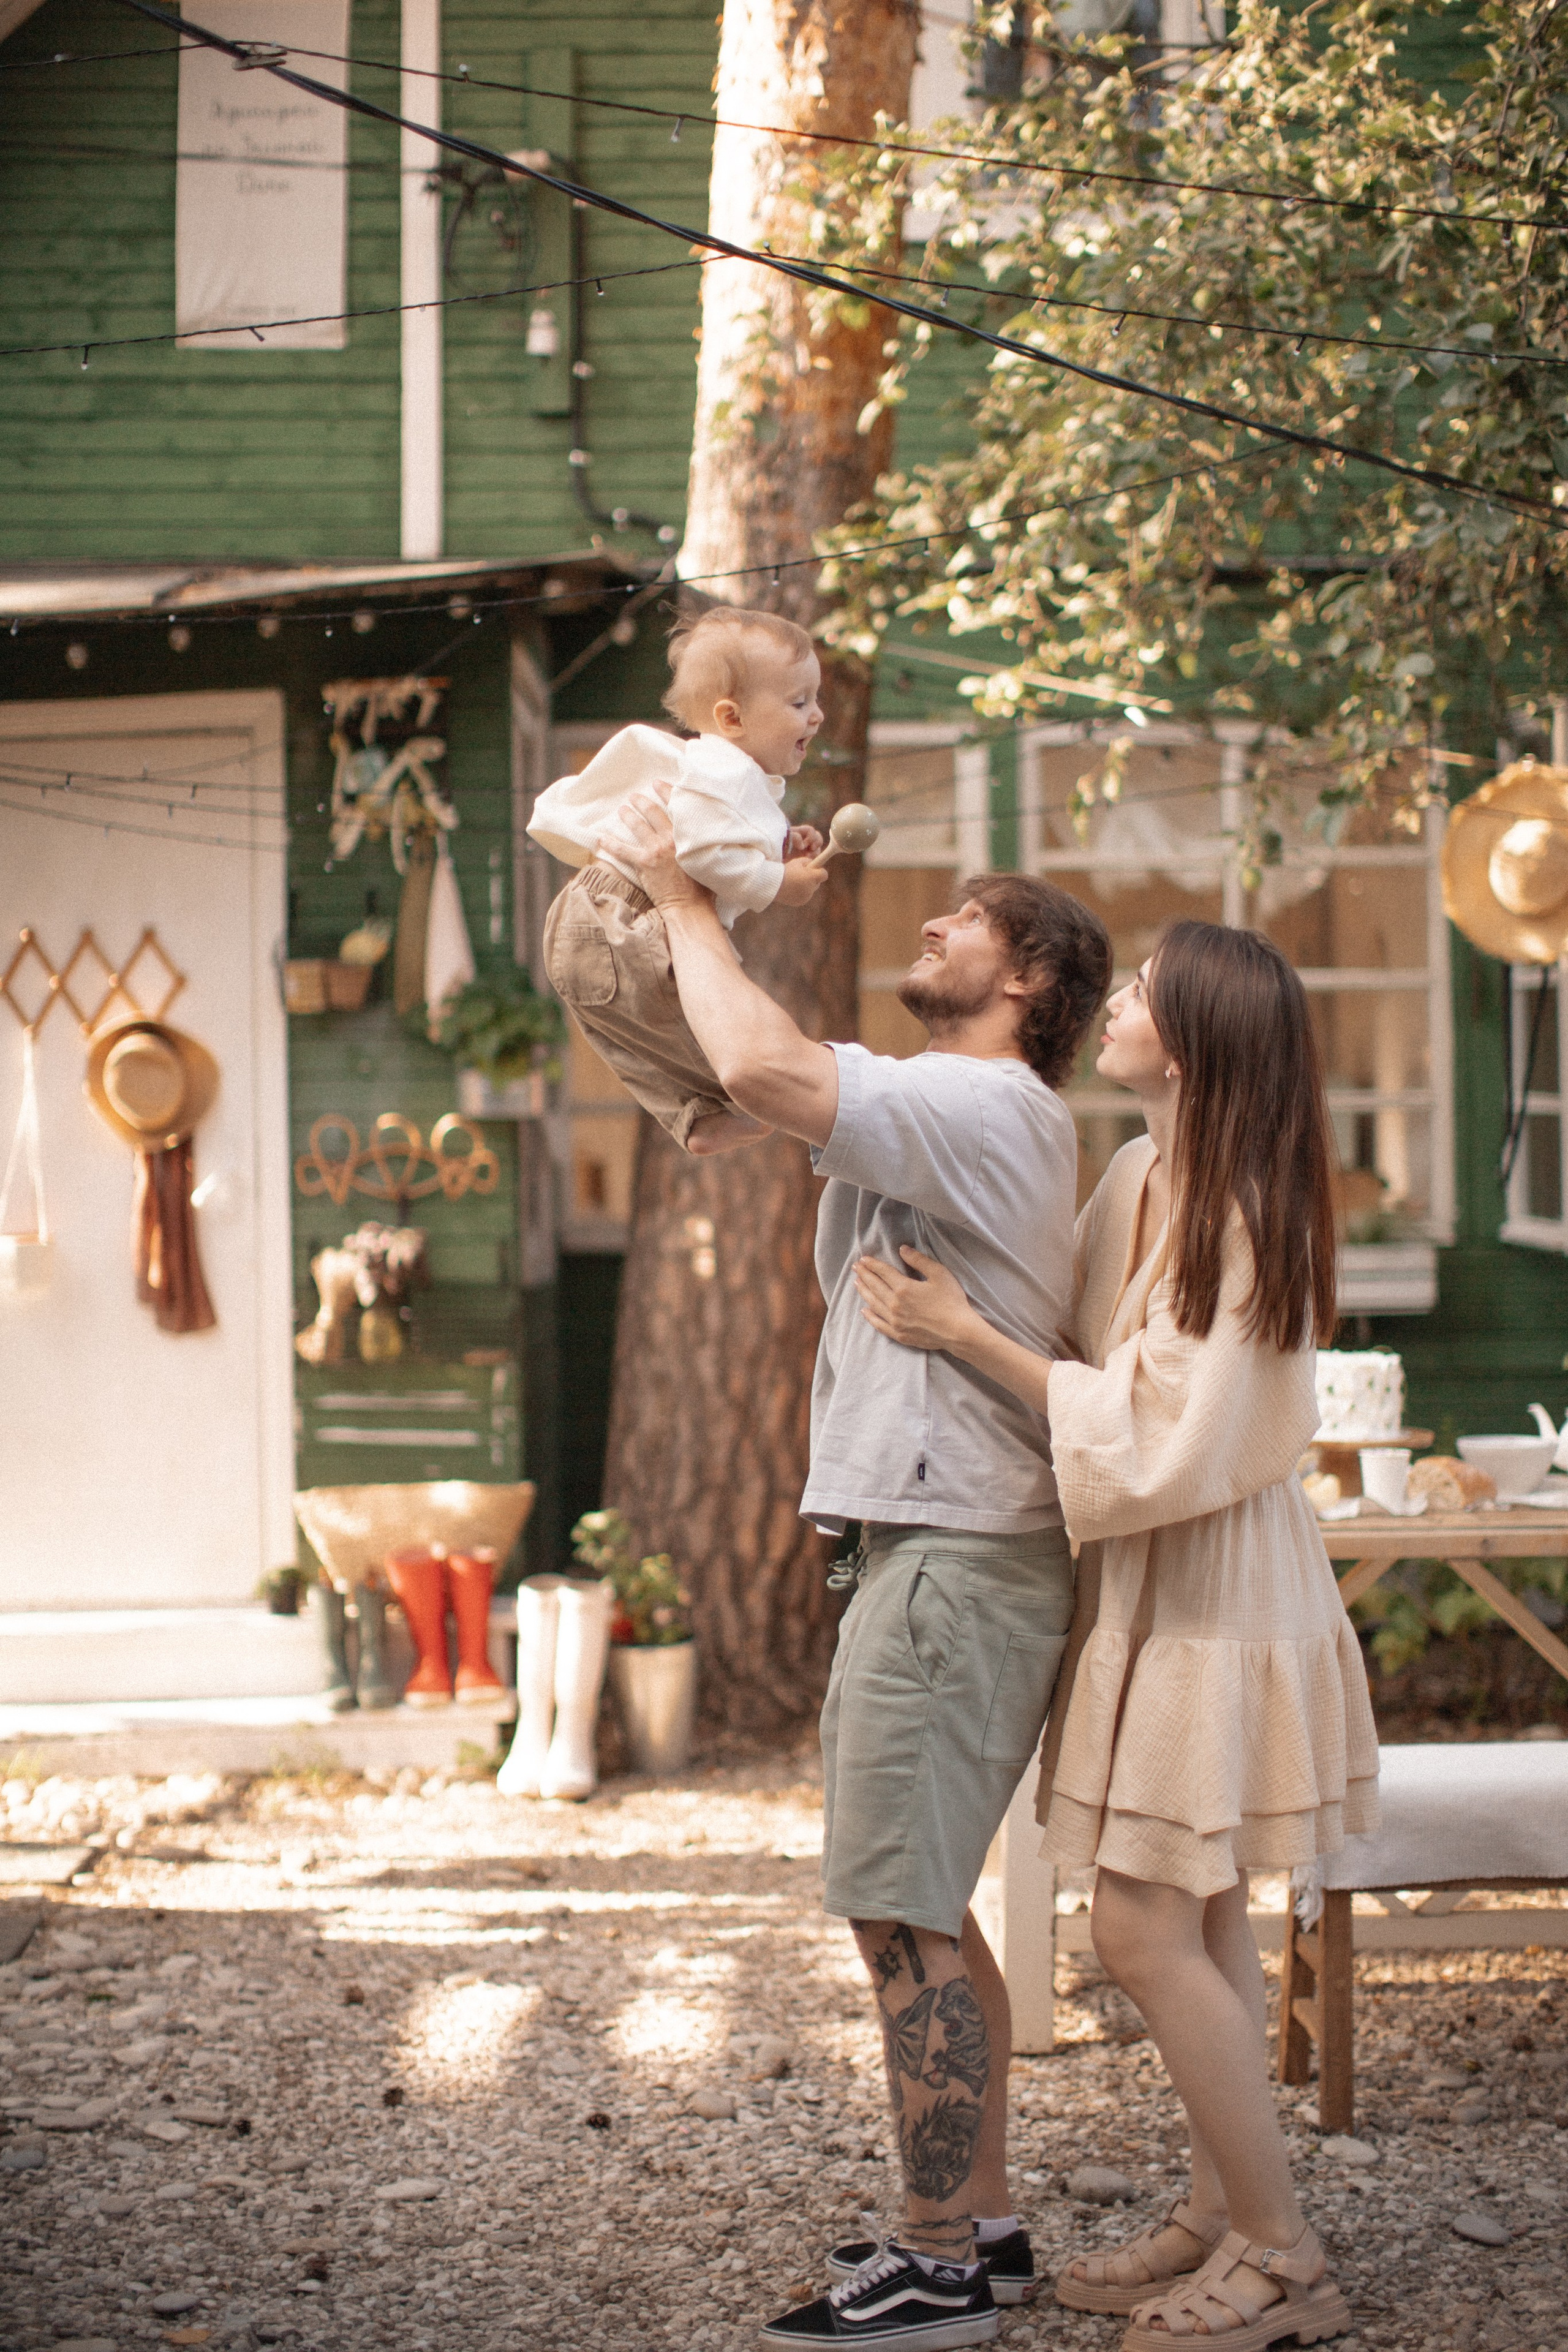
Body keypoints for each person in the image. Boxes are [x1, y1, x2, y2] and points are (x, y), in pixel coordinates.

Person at [601, 783, 1112, 2350]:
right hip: (934, 1556)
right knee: (927, 1911)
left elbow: (761, 1059)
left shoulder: (987, 1106)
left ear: (1026, 983)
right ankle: (989, 2226)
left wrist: (685, 892)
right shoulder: (935, 1102)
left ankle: (934, 2257)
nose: (934, 922)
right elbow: (744, 1073)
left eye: (967, 916)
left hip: (952, 1564)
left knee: (894, 1916)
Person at [853, 919, 1380, 2352]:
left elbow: (1157, 1428)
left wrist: (960, 1332)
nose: (1120, 1003)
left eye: (1145, 989)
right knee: (1200, 1908)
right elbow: (1081, 1359)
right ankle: (1217, 2210)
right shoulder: (1142, 1173)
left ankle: (1281, 2255)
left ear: (1196, 1034)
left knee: (1139, 1923)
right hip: (1153, 1580)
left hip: (1217, 1584)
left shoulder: (1248, 1203)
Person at [527, 605, 829, 1156]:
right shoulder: (724, 771)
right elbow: (706, 853)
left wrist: (783, 846)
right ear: (732, 719)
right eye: (799, 702)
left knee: (633, 1040)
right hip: (627, 915)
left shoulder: (722, 773)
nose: (817, 717)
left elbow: (719, 836)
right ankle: (740, 1103)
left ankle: (694, 1119)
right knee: (707, 1013)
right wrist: (778, 884)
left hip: (586, 917)